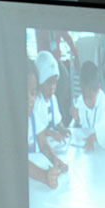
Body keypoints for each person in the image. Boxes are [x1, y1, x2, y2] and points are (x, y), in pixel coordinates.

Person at [33, 50, 70, 173]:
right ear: (39, 82)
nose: (53, 87)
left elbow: (58, 122)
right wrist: (50, 132)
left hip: (53, 149)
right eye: (48, 83)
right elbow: (38, 130)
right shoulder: (35, 102)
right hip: (40, 152)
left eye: (55, 83)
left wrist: (62, 129)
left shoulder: (53, 99)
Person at [27, 59, 61, 188]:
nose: (30, 100)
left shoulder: (33, 117)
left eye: (32, 93)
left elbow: (44, 145)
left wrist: (54, 160)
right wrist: (44, 176)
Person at [70, 61, 105, 153]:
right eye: (84, 95)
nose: (87, 100)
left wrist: (94, 136)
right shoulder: (80, 101)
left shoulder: (103, 102)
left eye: (90, 97)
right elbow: (82, 124)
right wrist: (76, 119)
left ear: (98, 88)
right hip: (87, 146)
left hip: (102, 146)